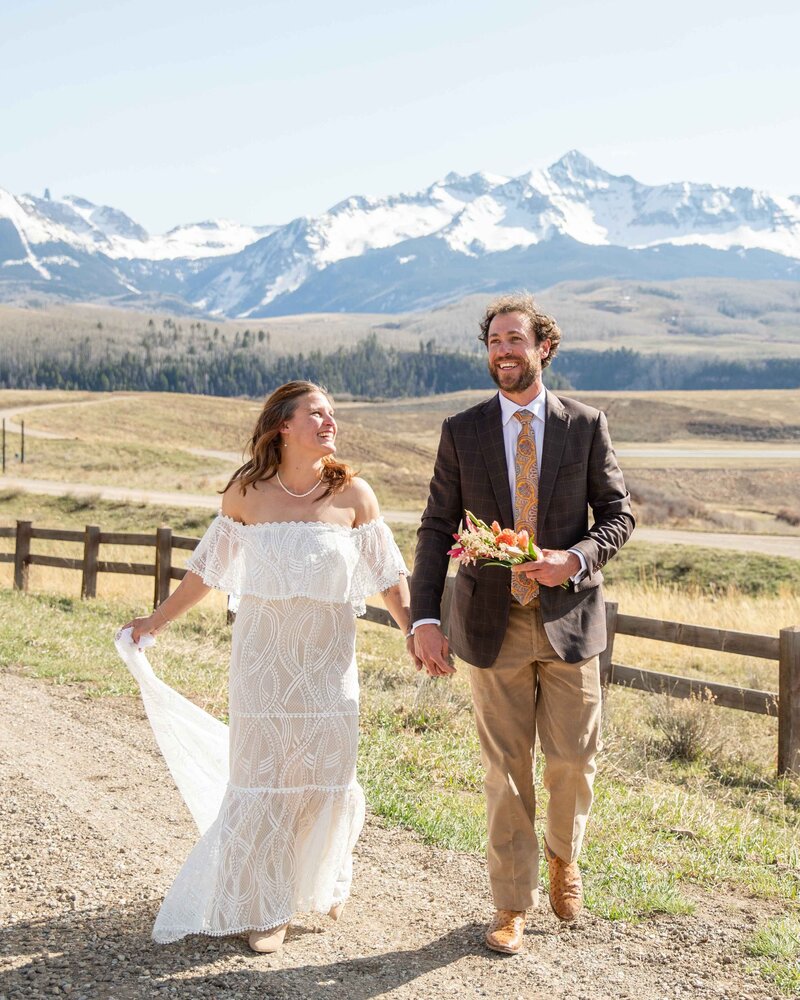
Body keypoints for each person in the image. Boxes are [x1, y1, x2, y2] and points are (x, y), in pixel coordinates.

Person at [123, 380, 411, 954]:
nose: (330, 421)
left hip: (329, 670)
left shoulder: (355, 495)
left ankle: (317, 879)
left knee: (326, 774)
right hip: (262, 667)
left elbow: (388, 575)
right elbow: (207, 571)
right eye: (317, 413)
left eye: (333, 413)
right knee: (266, 780)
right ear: (283, 424)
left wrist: (417, 633)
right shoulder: (246, 492)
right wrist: (155, 622)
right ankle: (268, 904)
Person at [409, 293, 634, 955]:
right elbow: (435, 529)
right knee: (505, 773)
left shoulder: (585, 425)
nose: (504, 352)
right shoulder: (463, 430)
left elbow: (619, 516)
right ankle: (511, 904)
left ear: (543, 348)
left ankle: (564, 857)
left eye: (516, 340)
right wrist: (425, 615)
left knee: (572, 760)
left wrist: (576, 558)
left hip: (570, 622)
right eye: (494, 342)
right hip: (489, 624)